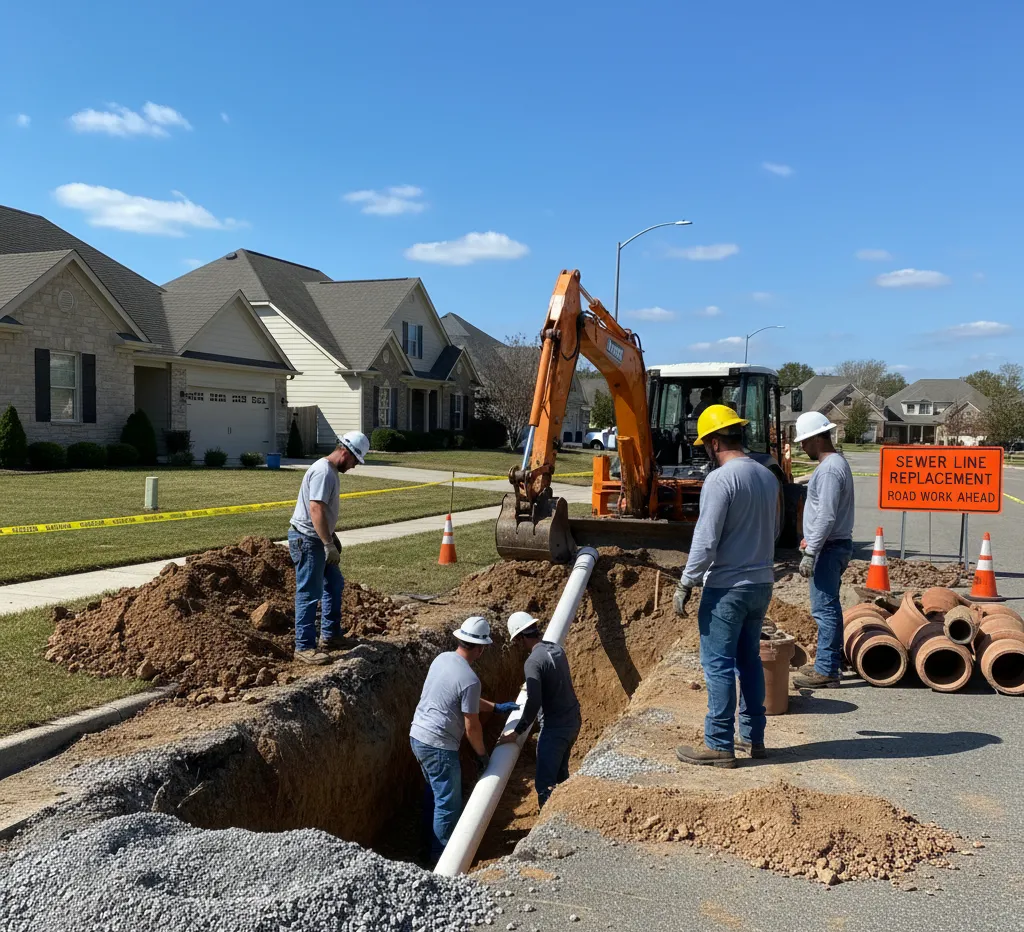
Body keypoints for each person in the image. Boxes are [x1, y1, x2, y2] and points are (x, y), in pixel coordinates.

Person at [673, 405, 779, 768]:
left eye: (705, 444)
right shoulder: (767, 476)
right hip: (761, 584)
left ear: (714, 442)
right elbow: (776, 531)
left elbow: (705, 540)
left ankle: (719, 743)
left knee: (718, 665)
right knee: (748, 661)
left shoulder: (721, 480)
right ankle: (754, 737)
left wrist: (687, 581)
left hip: (727, 588)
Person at [409, 617, 519, 864]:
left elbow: (460, 696)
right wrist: (482, 756)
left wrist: (495, 707)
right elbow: (472, 727)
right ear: (479, 649)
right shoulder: (470, 679)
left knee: (434, 793)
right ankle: (443, 860)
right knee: (448, 803)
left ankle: (425, 846)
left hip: (417, 737)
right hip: (438, 746)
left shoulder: (442, 659)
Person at [287, 431, 369, 665]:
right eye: (354, 461)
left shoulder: (330, 471)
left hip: (318, 538)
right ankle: (304, 646)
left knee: (334, 583)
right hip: (308, 541)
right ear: (345, 452)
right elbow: (316, 509)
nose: (353, 466)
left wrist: (331, 536)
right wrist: (327, 543)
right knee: (309, 592)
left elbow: (321, 511)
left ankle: (331, 636)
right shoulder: (324, 472)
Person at [790, 412, 855, 689]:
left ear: (819, 437)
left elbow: (827, 515)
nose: (802, 447)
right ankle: (829, 662)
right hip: (832, 544)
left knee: (824, 609)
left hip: (828, 548)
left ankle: (827, 669)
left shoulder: (829, 470)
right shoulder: (836, 464)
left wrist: (811, 550)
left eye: (805, 441)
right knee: (830, 607)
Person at [497, 612, 582, 807]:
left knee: (545, 784)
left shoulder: (533, 662)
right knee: (561, 774)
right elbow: (552, 681)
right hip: (573, 721)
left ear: (520, 638)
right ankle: (565, 813)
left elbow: (534, 702)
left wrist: (517, 732)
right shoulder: (557, 650)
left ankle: (550, 827)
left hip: (555, 728)